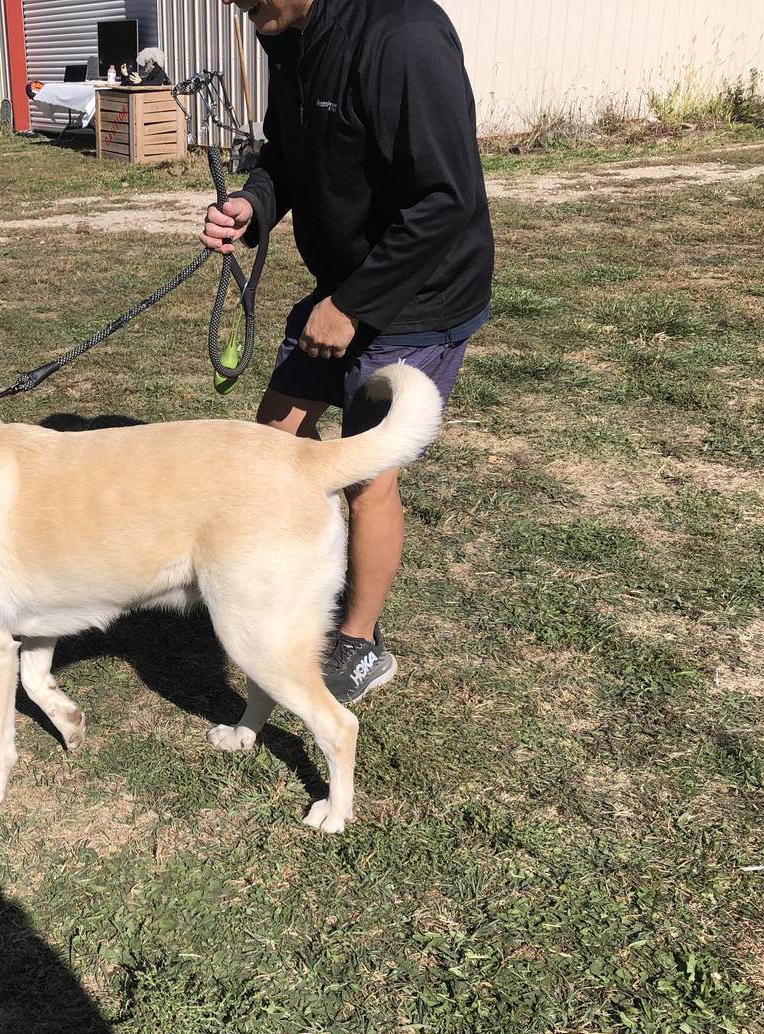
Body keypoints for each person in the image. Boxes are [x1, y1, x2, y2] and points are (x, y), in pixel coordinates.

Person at [201, 0, 493, 704]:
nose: (240, 6)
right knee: (272, 439)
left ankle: (360, 642)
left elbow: (446, 197)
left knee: (364, 475)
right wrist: (255, 204)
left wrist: (353, 307)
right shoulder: (288, 33)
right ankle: (292, 588)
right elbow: (287, 155)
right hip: (346, 285)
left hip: (419, 292)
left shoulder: (404, 36)